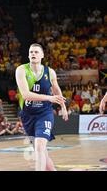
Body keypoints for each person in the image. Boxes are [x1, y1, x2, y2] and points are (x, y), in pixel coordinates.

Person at [15, 43, 68, 171]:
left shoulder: (50, 72)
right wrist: (49, 98)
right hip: (27, 115)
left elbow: (56, 90)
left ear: (42, 55)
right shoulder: (21, 70)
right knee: (41, 151)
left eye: (36, 52)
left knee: (39, 146)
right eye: (31, 52)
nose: (33, 54)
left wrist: (63, 107)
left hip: (44, 113)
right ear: (28, 55)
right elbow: (26, 95)